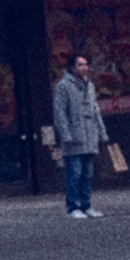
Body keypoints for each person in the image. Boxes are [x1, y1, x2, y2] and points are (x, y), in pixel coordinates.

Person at [50, 50, 107, 219]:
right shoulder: (63, 86)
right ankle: (73, 207)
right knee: (74, 173)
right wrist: (65, 135)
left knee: (88, 174)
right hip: (74, 137)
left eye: (85, 65)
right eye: (80, 65)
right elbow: (59, 112)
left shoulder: (89, 85)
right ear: (72, 68)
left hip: (89, 135)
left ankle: (87, 205)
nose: (84, 68)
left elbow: (95, 110)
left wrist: (102, 133)